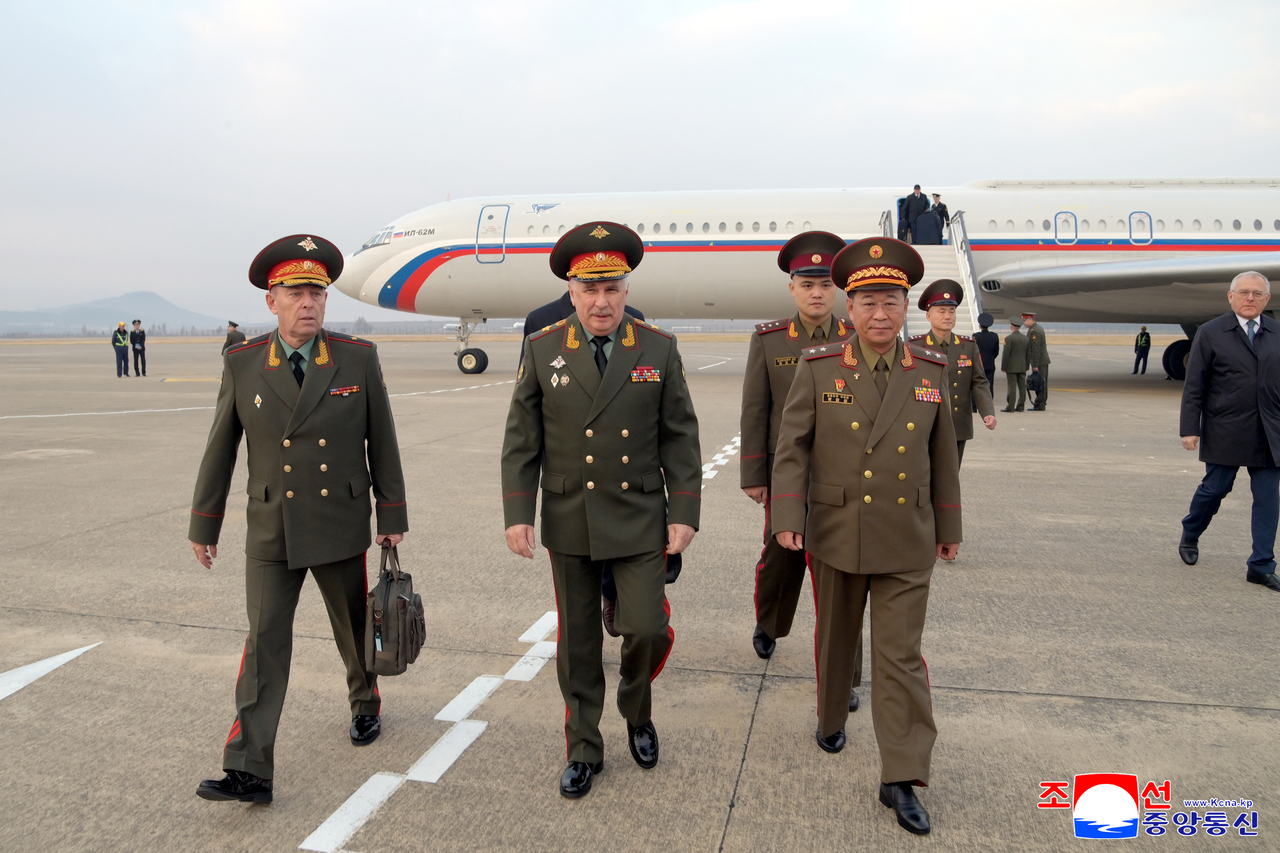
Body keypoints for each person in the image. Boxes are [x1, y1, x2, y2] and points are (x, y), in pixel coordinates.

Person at [189, 234, 409, 803]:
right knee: (264, 643)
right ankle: (249, 769)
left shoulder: (356, 358)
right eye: (296, 293)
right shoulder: (242, 364)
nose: (309, 302)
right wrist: (204, 524)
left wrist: (391, 513)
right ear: (272, 301)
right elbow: (221, 447)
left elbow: (381, 439)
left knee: (352, 626)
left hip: (338, 518)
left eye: (317, 292)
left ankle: (365, 702)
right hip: (271, 526)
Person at [501, 221, 701, 799]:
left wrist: (683, 510)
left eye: (612, 288)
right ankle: (584, 746)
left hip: (640, 516)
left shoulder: (657, 347)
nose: (601, 301)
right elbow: (521, 438)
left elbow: (680, 435)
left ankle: (636, 712)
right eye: (589, 289)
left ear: (627, 290)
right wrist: (519, 512)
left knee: (645, 627)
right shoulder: (543, 349)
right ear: (571, 291)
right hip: (571, 517)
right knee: (578, 643)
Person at [771, 236, 961, 836]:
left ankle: (901, 776)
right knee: (836, 639)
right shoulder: (820, 365)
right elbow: (792, 448)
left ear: (907, 308)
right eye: (869, 303)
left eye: (893, 303)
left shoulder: (930, 369)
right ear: (848, 308)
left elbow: (943, 456)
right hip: (836, 529)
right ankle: (831, 717)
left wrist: (949, 525)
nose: (881, 315)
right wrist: (786, 519)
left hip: (907, 534)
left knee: (900, 657)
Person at [739, 231, 863, 710]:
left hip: (844, 482)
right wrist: (755, 473)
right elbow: (756, 409)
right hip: (787, 478)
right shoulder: (770, 340)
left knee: (843, 580)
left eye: (825, 285)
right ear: (792, 288)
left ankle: (844, 678)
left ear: (838, 292)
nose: (817, 292)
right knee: (781, 562)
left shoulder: (857, 339)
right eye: (807, 284)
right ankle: (769, 621)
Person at [522, 292, 648, 639]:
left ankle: (611, 594)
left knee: (620, 559)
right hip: (573, 467)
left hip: (619, 469)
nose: (601, 302)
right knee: (577, 603)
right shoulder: (541, 321)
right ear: (572, 282)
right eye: (589, 288)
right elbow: (533, 401)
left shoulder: (633, 318)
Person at [1178, 271, 1280, 593]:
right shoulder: (1211, 333)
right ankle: (1191, 531)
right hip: (1226, 428)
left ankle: (1261, 565)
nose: (1250, 298)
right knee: (1215, 490)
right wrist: (1189, 429)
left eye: (1257, 294)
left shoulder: (1277, 332)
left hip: (1269, 432)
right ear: (1230, 296)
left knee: (1267, 500)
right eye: (1244, 292)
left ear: (1267, 300)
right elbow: (1194, 385)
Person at [909, 281, 996, 464]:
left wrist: (987, 411)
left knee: (951, 479)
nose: (948, 316)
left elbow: (979, 382)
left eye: (951, 311)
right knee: (925, 478)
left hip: (957, 424)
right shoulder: (915, 347)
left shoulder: (968, 346)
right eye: (942, 311)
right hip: (925, 425)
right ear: (928, 315)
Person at [1022, 312, 1050, 410]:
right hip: (1042, 361)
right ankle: (1040, 403)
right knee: (1041, 382)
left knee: (1040, 383)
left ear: (1030, 319)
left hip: (1040, 361)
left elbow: (1035, 350)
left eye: (1025, 320)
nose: (1024, 322)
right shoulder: (1035, 329)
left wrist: (1035, 364)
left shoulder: (1035, 331)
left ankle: (1040, 404)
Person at [1001, 318, 1029, 412]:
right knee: (1022, 387)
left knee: (1012, 386)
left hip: (1011, 367)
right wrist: (1026, 366)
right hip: (1022, 366)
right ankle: (1021, 406)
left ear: (1011, 326)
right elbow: (1028, 354)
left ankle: (1011, 406)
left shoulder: (1009, 338)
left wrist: (1003, 367)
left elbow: (1006, 354)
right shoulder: (1026, 338)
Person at [973, 312, 1000, 393]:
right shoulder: (994, 336)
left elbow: (973, 351)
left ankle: (975, 404)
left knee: (977, 384)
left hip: (978, 365)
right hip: (990, 364)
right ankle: (989, 402)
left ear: (980, 325)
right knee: (989, 385)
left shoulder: (975, 336)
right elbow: (996, 351)